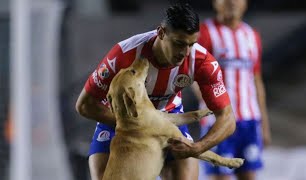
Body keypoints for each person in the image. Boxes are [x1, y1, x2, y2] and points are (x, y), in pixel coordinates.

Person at [75, 3, 236, 180]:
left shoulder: (202, 62)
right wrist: (138, 125)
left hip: (169, 117)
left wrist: (198, 147)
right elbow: (84, 105)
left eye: (191, 44)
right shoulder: (125, 54)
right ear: (161, 33)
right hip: (121, 120)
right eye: (179, 43)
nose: (184, 52)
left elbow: (227, 119)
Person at [194, 0, 272, 179]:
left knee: (250, 175)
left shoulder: (251, 35)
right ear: (215, 3)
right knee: (220, 176)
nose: (231, 2)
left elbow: (256, 80)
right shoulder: (205, 33)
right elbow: (194, 76)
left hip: (249, 120)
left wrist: (264, 124)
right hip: (218, 121)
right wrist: (211, 107)